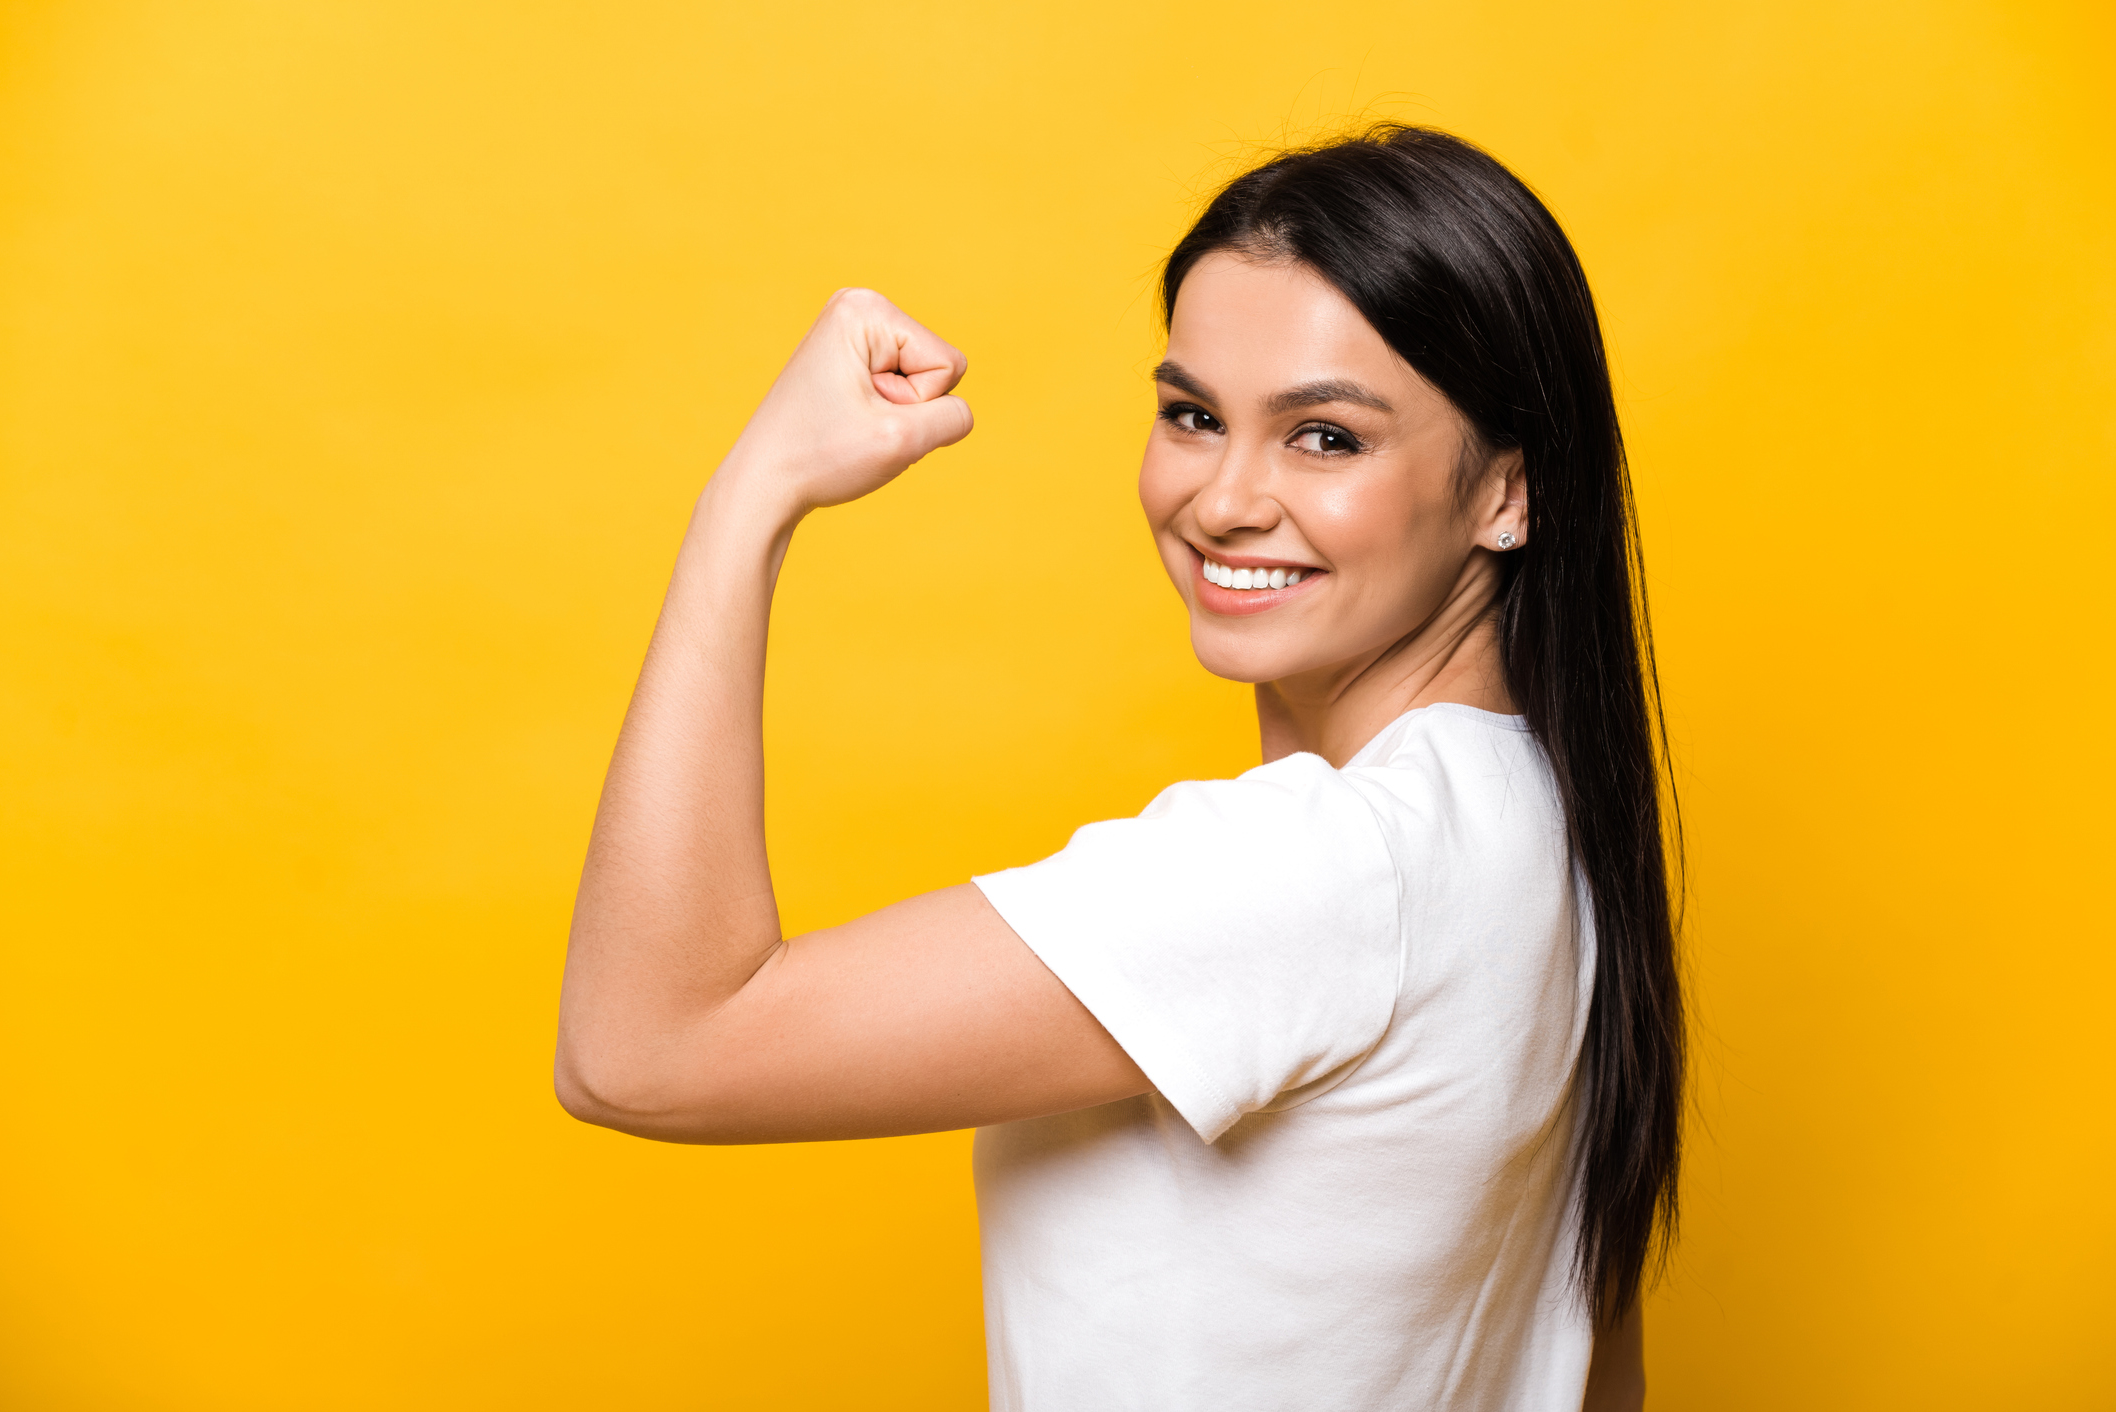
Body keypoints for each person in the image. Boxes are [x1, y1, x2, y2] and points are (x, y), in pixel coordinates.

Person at [555, 125, 1681, 1412]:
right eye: (1194, 416)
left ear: (1506, 493)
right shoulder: (1541, 826)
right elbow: (1599, 1374)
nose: (1221, 500)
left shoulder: (1318, 866)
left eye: (1324, 437)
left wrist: (750, 497)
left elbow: (639, 1049)